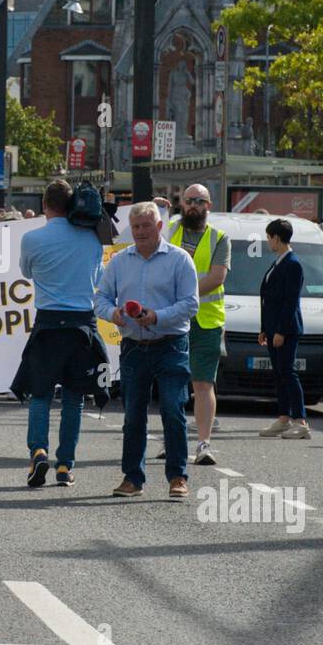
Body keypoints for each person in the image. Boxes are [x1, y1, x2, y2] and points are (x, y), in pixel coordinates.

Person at [94, 202, 199, 498]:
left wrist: (157, 316)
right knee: (133, 415)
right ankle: (132, 478)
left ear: (159, 227)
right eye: (136, 226)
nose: (140, 232)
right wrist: (112, 313)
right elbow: (100, 298)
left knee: (171, 410)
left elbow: (191, 304)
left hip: (170, 345)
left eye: (146, 226)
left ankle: (177, 476)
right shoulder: (118, 261)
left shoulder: (180, 260)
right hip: (133, 348)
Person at [11, 179, 106, 488]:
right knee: (74, 398)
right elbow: (97, 276)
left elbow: (26, 272)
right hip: (81, 325)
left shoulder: (32, 238)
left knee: (40, 394)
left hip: (48, 324)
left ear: (44, 205)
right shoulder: (92, 239)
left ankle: (38, 451)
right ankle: (65, 465)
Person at [167, 183, 229, 466]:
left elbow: (217, 277)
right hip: (171, 319)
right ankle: (174, 439)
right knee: (171, 381)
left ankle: (204, 444)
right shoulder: (169, 230)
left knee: (202, 383)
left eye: (199, 201)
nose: (193, 205)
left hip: (205, 321)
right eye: (188, 200)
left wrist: (184, 297)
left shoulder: (219, 238)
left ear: (208, 205)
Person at [257, 219, 310, 439]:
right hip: (271, 327)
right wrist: (264, 328)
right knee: (279, 373)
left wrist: (280, 331)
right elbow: (268, 298)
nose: (268, 241)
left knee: (288, 372)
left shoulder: (293, 263)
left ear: (277, 238)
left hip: (285, 329)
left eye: (269, 237)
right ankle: (283, 418)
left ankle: (301, 421)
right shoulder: (279, 261)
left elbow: (290, 301)